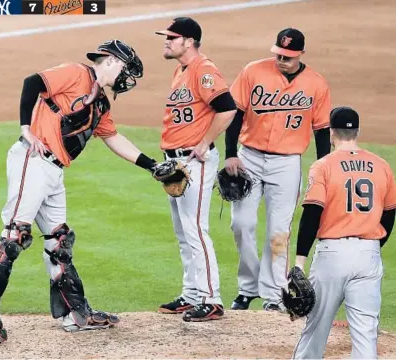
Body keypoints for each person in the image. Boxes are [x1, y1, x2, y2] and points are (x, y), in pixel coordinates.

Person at [0, 39, 159, 343]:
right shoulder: (76, 73)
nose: (127, 79)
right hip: (33, 159)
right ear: (112, 61)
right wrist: (26, 127)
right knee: (15, 235)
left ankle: (76, 314)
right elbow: (32, 82)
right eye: (126, 70)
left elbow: (114, 138)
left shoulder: (101, 103)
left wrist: (152, 165)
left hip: (55, 171)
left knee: (59, 241)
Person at [226, 28, 332, 311]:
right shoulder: (253, 71)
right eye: (279, 54)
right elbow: (236, 113)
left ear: (300, 55)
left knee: (278, 231)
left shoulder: (316, 84)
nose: (282, 59)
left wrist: (324, 168)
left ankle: (273, 295)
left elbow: (322, 131)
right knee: (241, 224)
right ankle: (247, 288)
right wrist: (229, 154)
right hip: (249, 156)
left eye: (288, 56)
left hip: (287, 164)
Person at [292, 106, 396, 359]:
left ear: (331, 133)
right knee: (365, 334)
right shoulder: (381, 165)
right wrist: (369, 246)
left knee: (316, 328)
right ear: (357, 132)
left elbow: (312, 214)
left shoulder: (323, 165)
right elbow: (390, 213)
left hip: (333, 256)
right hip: (368, 255)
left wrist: (299, 262)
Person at [155, 17, 237, 322]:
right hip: (176, 162)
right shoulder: (181, 70)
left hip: (195, 161)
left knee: (195, 229)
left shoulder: (204, 70)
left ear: (189, 41)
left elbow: (228, 108)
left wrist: (204, 143)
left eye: (172, 37)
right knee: (182, 231)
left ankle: (211, 298)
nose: (166, 41)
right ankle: (191, 294)